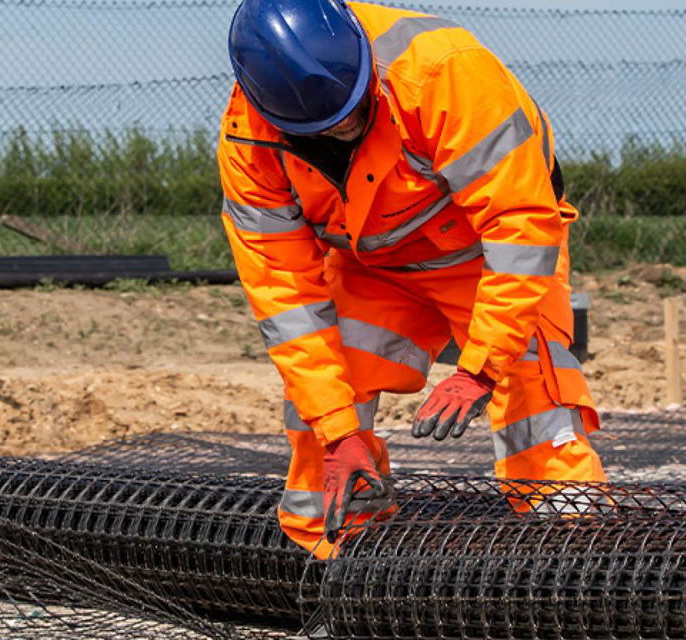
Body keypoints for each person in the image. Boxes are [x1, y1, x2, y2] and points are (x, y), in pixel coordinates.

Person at [220, 0, 605, 559]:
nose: (344, 131)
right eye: (324, 129)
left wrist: (480, 366)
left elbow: (520, 225)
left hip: (484, 257)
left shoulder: (445, 72)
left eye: (352, 113)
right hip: (372, 269)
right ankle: (340, 565)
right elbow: (285, 297)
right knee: (323, 413)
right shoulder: (248, 142)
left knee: (535, 398)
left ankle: (575, 557)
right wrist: (339, 432)